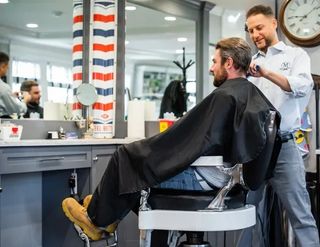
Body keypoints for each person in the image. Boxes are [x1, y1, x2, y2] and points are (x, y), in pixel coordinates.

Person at [61, 37, 279, 241]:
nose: (212, 67)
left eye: (215, 61)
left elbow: (184, 141)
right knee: (136, 173)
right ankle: (107, 217)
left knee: (125, 159)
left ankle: (95, 220)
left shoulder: (224, 96)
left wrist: (146, 149)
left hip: (208, 179)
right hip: (228, 181)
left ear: (229, 63)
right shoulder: (250, 94)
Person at [238, 5, 320, 247]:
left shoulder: (296, 56)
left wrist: (266, 73)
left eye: (259, 27)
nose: (255, 35)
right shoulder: (250, 64)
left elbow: (302, 86)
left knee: (301, 215)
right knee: (246, 214)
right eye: (251, 30)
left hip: (284, 146)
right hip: (254, 150)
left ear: (274, 23)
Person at [0, 51, 28, 118]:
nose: (8, 69)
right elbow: (16, 110)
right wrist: (25, 100)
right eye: (7, 67)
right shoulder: (3, 88)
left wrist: (10, 97)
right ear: (2, 66)